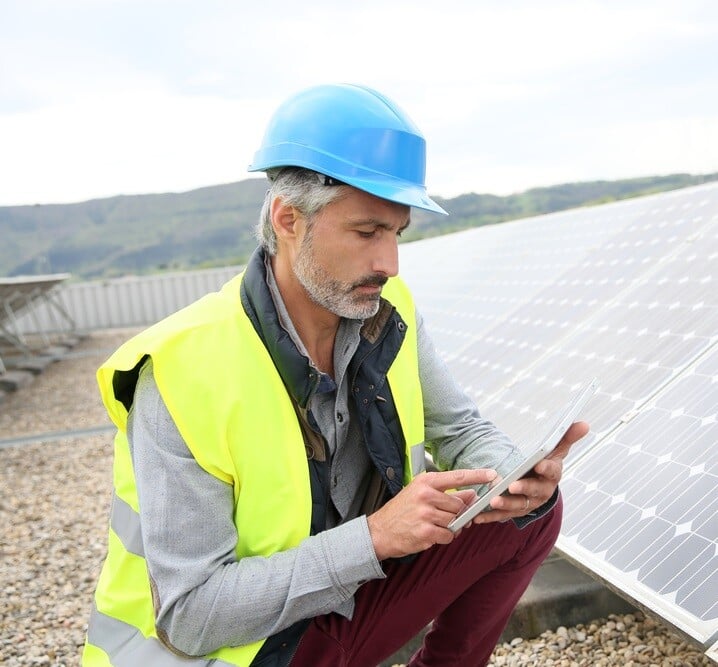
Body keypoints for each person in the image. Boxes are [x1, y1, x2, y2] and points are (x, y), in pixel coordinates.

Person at [82, 83, 588, 667]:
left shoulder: (382, 309)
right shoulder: (182, 368)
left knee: (530, 514)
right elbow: (192, 616)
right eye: (367, 232)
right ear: (289, 219)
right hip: (240, 650)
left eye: (397, 233)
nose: (389, 263)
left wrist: (514, 473)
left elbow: (461, 427)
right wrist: (372, 539)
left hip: (337, 603)